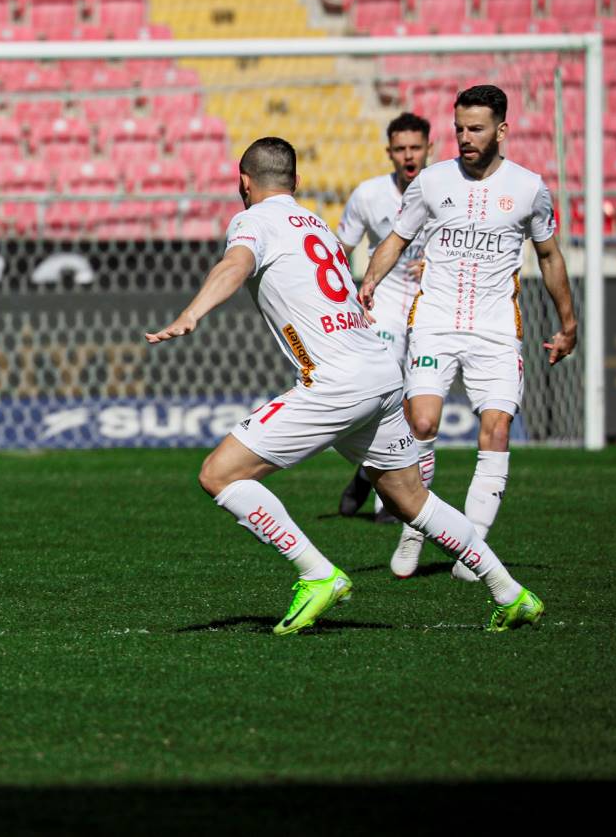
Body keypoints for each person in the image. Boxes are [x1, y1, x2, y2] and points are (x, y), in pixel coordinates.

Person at [146, 136, 543, 635]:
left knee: (219, 475)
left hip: (336, 381)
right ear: (296, 182)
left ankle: (317, 574)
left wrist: (192, 312)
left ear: (242, 182)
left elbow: (235, 264)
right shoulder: (314, 222)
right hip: (379, 369)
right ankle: (511, 592)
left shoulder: (252, 221)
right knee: (409, 500)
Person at [359, 86, 577, 580]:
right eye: (458, 128)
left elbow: (549, 256)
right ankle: (417, 524)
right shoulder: (432, 182)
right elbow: (396, 238)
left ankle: (470, 548)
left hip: (496, 328)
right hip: (434, 320)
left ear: (501, 130)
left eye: (475, 128)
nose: (464, 137)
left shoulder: (528, 187)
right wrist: (370, 279)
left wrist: (569, 324)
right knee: (422, 424)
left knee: (496, 428)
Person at [334, 112, 432, 522]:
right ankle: (384, 492)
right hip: (386, 302)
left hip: (433, 303)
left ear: (429, 148)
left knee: (417, 396)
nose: (408, 156)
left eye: (415, 148)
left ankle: (373, 482)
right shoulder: (369, 195)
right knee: (387, 387)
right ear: (389, 152)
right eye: (400, 149)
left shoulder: (447, 190)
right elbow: (340, 247)